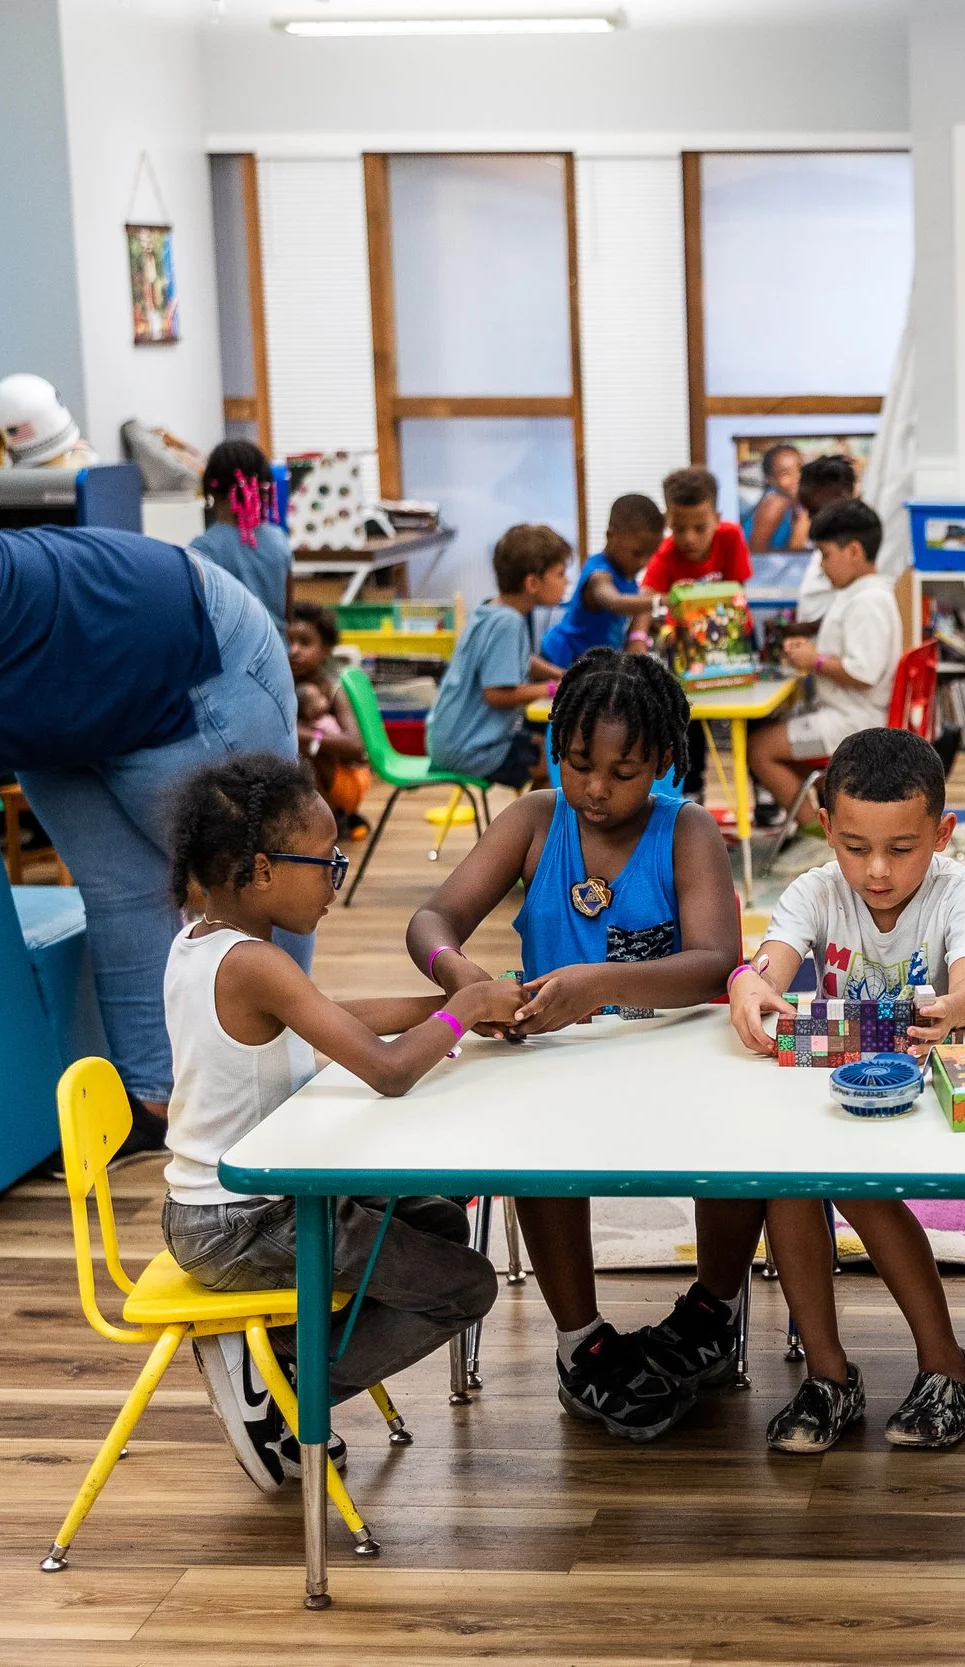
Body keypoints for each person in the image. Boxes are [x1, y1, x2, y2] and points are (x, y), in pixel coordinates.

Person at [0, 477, 301, 1152]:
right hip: (64, 699)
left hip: (194, 653)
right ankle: (155, 1100)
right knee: (122, 892)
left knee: (253, 884)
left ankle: (285, 1091)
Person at [406, 651, 747, 1442]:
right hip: (554, 1067)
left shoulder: (688, 829)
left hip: (674, 1062)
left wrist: (598, 983)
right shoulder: (532, 822)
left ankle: (714, 1305)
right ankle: (578, 1338)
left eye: (624, 771)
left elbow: (715, 962)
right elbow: (431, 920)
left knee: (741, 1130)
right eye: (577, 763)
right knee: (536, 1145)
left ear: (663, 760)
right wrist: (462, 976)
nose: (595, 789)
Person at [159, 754, 515, 1492]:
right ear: (261, 869)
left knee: (441, 1223)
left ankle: (278, 1354)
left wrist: (447, 1012)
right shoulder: (254, 963)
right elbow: (385, 1071)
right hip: (245, 1220)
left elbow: (332, 1022)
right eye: (327, 864)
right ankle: (285, 1385)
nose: (335, 880)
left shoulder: (204, 943)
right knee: (465, 1285)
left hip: (222, 1210)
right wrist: (466, 1009)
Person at [726, 730, 965, 1451]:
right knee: (788, 1184)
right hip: (842, 1099)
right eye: (854, 846)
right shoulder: (814, 890)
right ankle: (828, 1375)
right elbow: (767, 967)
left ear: (942, 833)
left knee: (857, 1186)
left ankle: (948, 1366)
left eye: (902, 849)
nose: (876, 870)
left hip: (926, 1101)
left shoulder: (960, 889)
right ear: (826, 829)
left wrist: (957, 1004)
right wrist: (749, 986)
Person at [748, 499, 901, 822]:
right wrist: (812, 652)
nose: (821, 567)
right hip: (849, 715)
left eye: (825, 555)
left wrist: (815, 660)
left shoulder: (867, 601)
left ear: (855, 551)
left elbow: (864, 672)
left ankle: (815, 835)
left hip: (852, 723)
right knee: (773, 739)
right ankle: (824, 818)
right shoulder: (865, 594)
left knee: (759, 749)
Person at [426, 525, 572, 792]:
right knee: (558, 763)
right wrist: (553, 689)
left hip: (449, 740)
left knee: (550, 749)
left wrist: (558, 673)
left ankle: (535, 828)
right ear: (532, 583)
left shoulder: (491, 609)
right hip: (470, 749)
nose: (567, 582)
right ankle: (536, 830)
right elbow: (495, 694)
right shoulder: (509, 623)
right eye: (561, 574)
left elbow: (518, 659)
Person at [540, 494, 666, 671]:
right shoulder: (598, 574)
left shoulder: (627, 577)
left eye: (650, 555)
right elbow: (614, 602)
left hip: (595, 663)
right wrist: (662, 600)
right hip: (562, 658)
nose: (643, 562)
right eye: (637, 553)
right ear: (611, 535)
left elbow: (636, 607)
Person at [286, 603, 372, 838]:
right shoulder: (282, 688)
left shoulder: (333, 690)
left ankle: (330, 820)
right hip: (313, 785)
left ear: (326, 649)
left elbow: (356, 746)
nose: (294, 651)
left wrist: (303, 735)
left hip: (346, 782)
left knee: (304, 752)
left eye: (305, 643)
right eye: (288, 642)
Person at [190, 439, 291, 630]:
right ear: (262, 485)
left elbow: (197, 617)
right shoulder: (278, 539)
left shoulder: (202, 549)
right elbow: (288, 613)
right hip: (277, 652)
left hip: (229, 657)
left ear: (211, 486)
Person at [640, 466, 753, 592]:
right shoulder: (665, 553)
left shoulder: (731, 536)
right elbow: (646, 595)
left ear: (717, 519)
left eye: (700, 528)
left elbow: (737, 592)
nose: (689, 539)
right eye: (679, 529)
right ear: (668, 522)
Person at [790, 452, 865, 631]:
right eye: (807, 510)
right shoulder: (824, 545)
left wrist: (807, 628)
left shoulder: (856, 550)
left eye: (816, 510)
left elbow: (855, 611)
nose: (810, 517)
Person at [745, 443, 807, 553]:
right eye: (785, 474)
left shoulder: (795, 503)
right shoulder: (775, 503)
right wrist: (804, 518)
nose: (797, 477)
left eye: (800, 469)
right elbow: (755, 555)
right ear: (771, 480)